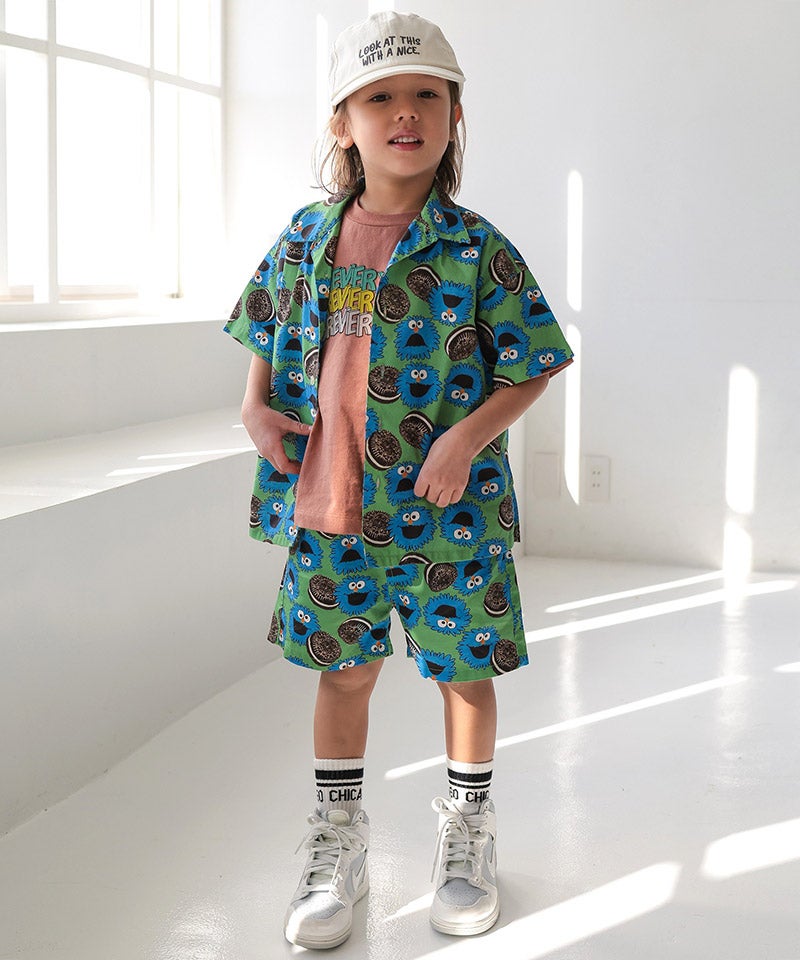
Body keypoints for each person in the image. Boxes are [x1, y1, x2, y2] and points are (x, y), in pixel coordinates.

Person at [224, 10, 573, 949]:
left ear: (455, 116)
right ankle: (338, 841)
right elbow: (263, 325)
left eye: (427, 94)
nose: (406, 112)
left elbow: (534, 363)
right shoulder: (306, 235)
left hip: (444, 513)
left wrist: (465, 440)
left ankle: (467, 834)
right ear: (344, 122)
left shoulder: (477, 248)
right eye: (380, 96)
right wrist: (253, 407)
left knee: (464, 674)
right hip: (330, 506)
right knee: (345, 675)